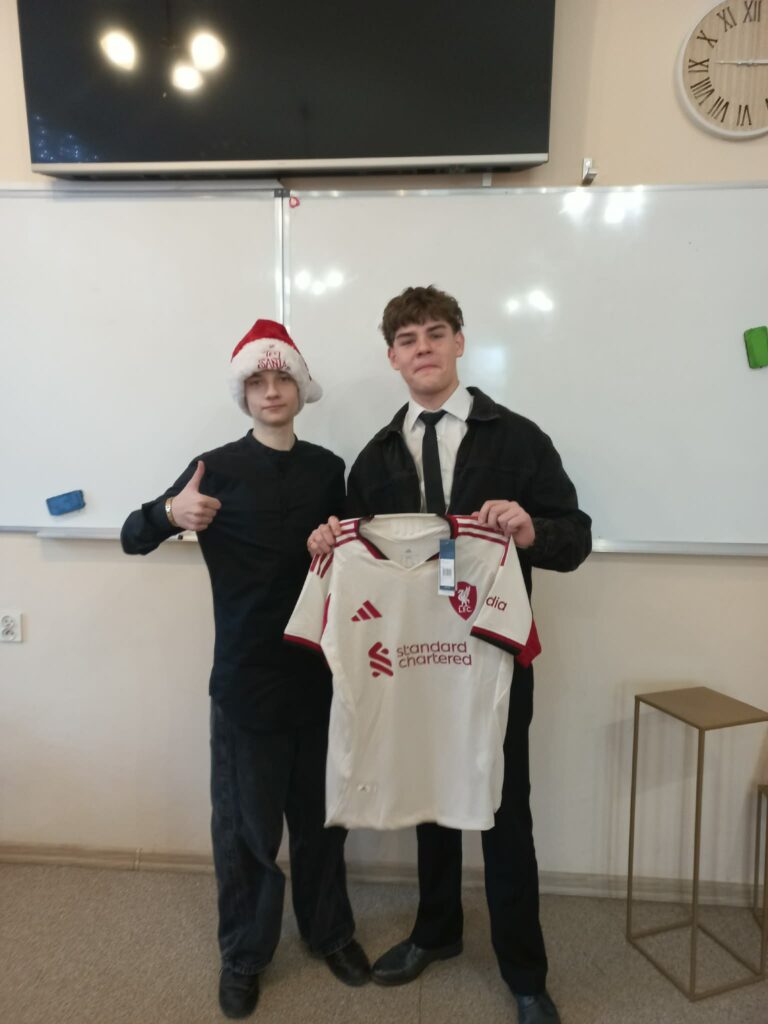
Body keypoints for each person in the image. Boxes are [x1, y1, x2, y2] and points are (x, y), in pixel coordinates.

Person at [308, 286, 591, 1024]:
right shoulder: (374, 456)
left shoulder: (518, 438)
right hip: (411, 658)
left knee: (502, 805)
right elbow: (357, 556)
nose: (423, 348)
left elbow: (576, 536)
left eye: (436, 333)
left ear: (460, 342)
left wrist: (532, 531)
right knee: (427, 789)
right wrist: (326, 541)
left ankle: (524, 972)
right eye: (407, 339)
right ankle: (436, 931)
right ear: (392, 357)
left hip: (494, 653)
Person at [121, 320, 370, 1019]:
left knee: (322, 823)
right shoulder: (214, 468)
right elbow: (133, 536)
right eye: (257, 381)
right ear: (244, 393)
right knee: (246, 833)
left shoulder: (328, 469)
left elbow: (360, 559)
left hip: (319, 675)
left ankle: (330, 933)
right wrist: (170, 512)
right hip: (245, 681)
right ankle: (244, 955)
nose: (271, 390)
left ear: (300, 388)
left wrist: (334, 538)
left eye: (282, 377)